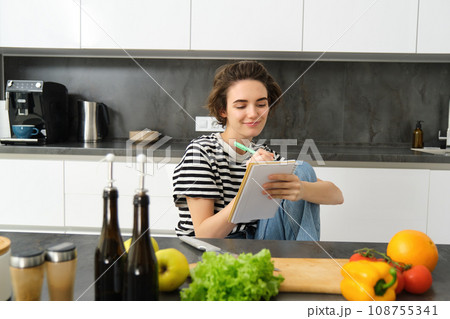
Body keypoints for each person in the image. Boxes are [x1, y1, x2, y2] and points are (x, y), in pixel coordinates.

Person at [173, 61, 343, 241]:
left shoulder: (265, 155)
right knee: (300, 169)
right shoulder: (201, 152)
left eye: (261, 104)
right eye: (241, 106)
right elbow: (205, 235)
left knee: (302, 170)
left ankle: (300, 258)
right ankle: (302, 261)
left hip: (256, 245)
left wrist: (300, 189)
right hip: (214, 249)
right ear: (223, 110)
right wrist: (251, 186)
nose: (254, 113)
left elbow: (336, 195)